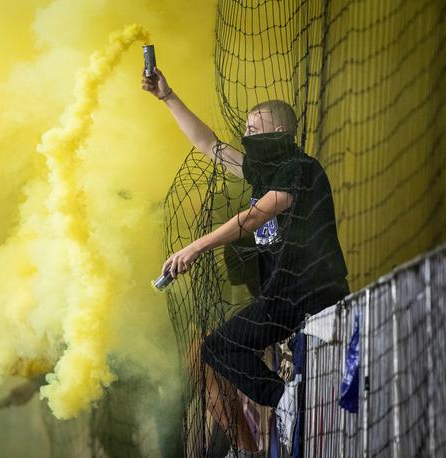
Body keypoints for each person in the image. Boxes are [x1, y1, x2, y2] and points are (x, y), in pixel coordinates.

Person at [142, 66, 349, 456]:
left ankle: (284, 399)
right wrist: (168, 98)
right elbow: (210, 146)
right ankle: (284, 397)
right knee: (218, 348)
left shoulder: (299, 170)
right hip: (285, 298)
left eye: (257, 129)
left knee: (221, 347)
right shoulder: (263, 172)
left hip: (313, 291)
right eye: (248, 130)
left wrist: (195, 247)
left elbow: (255, 217)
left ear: (282, 133)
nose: (248, 136)